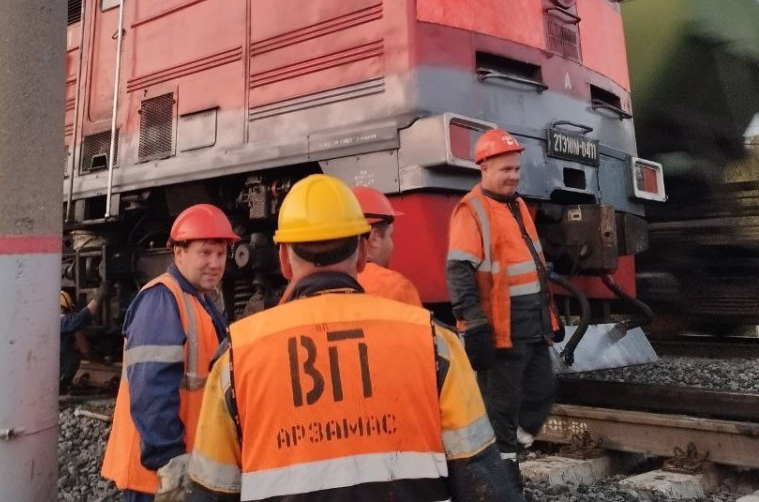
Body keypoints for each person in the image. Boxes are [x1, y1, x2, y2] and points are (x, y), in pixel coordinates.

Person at [185, 174, 513, 502]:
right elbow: (483, 481)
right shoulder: (434, 343)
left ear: (284, 259)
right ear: (361, 253)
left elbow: (208, 492)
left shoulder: (236, 359)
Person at [102, 204, 237, 502]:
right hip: (158, 477)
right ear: (178, 252)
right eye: (205, 253)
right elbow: (150, 390)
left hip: (182, 467)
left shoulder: (199, 300)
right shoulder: (162, 300)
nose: (215, 263)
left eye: (221, 253)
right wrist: (169, 460)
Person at [446, 128, 560, 479]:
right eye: (505, 170)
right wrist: (474, 323)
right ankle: (504, 481)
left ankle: (508, 452)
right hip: (500, 329)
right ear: (485, 170)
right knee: (502, 409)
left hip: (532, 324)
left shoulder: (518, 205)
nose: (513, 176)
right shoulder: (471, 210)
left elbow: (528, 263)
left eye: (516, 169)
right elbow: (459, 271)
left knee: (542, 390)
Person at [351, 186, 423, 306]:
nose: (392, 245)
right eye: (391, 235)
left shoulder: (328, 286)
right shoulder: (397, 289)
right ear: (374, 238)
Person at [59, 288, 104, 393]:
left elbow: (83, 347)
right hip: (50, 379)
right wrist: (97, 298)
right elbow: (78, 321)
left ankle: (60, 387)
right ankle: (59, 387)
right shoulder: (58, 320)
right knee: (72, 358)